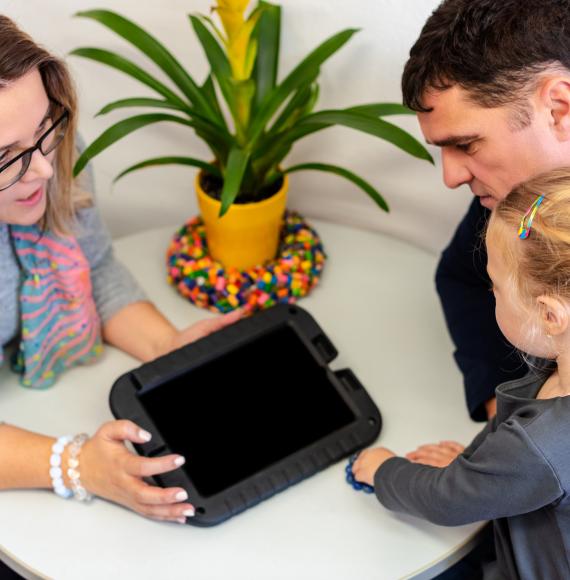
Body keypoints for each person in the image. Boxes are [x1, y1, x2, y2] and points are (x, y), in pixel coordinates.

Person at [0, 15, 241, 524]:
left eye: (45, 126)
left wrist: (167, 352)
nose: (44, 168)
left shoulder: (52, 150)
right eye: (6, 156)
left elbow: (97, 269)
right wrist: (76, 465)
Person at [354, 168, 570, 579]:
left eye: (495, 286)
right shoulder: (552, 371)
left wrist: (383, 470)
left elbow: (447, 501)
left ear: (548, 315)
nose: (490, 294)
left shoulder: (541, 446)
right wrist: (485, 469)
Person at [399, 0, 570, 469]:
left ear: (559, 108)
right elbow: (461, 277)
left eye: (466, 144)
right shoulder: (524, 203)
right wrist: (508, 425)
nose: (450, 177)